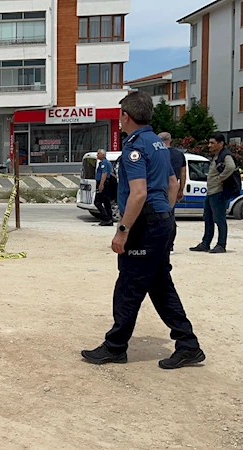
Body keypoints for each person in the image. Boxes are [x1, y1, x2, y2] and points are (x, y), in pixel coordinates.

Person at [81, 92, 204, 370]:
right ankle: (188, 344)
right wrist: (163, 216)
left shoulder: (134, 147)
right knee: (160, 285)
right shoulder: (159, 145)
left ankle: (115, 347)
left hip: (145, 225)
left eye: (120, 115)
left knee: (129, 285)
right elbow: (173, 185)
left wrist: (123, 229)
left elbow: (138, 194)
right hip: (161, 221)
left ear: (126, 116)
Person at [190, 133, 237, 254]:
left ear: (221, 144)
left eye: (212, 143)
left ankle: (221, 245)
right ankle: (205, 243)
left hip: (219, 192)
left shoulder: (225, 155)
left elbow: (231, 166)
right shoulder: (217, 156)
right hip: (211, 192)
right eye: (209, 143)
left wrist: (221, 178)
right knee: (208, 218)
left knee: (219, 219)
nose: (209, 145)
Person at [159, 132, 186, 254]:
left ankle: (160, 244)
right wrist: (181, 189)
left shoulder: (157, 153)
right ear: (171, 140)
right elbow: (183, 174)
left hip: (158, 187)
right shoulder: (179, 155)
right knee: (170, 216)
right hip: (173, 188)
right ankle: (170, 245)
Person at [94, 149, 114, 226]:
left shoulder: (104, 163)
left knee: (97, 202)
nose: (97, 155)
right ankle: (109, 219)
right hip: (105, 183)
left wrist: (101, 184)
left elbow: (104, 173)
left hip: (103, 183)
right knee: (106, 202)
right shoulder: (103, 163)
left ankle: (106, 218)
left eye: (98, 153)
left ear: (103, 155)